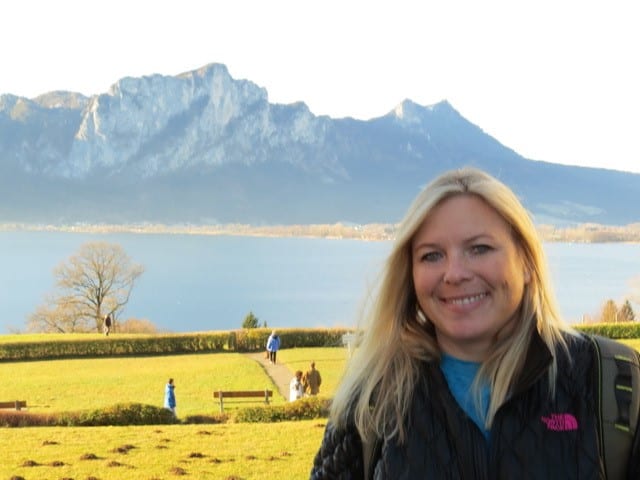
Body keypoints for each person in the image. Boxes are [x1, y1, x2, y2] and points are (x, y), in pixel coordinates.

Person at [310, 167, 640, 479]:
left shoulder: (610, 380)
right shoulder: (372, 395)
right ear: (410, 275)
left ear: (525, 263)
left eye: (479, 248)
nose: (454, 274)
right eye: (432, 255)